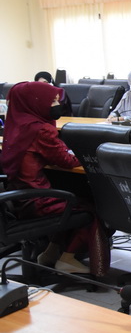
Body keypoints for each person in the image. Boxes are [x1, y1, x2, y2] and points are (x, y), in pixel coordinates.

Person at [0, 82, 109, 275]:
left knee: (74, 199)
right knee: (91, 208)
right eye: (52, 101)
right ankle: (68, 258)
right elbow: (67, 160)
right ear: (35, 103)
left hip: (17, 199)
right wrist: (89, 154)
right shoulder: (40, 130)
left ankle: (50, 253)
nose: (57, 105)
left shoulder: (15, 124)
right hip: (37, 200)